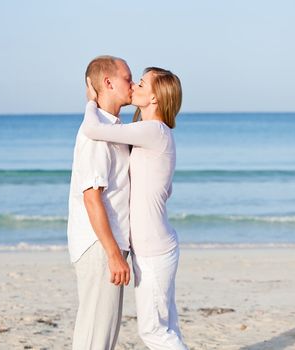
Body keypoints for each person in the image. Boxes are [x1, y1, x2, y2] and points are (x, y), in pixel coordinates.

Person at [82, 67, 188, 350]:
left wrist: (91, 99)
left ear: (154, 98)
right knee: (166, 327)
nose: (134, 86)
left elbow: (93, 129)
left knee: (154, 332)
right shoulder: (153, 133)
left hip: (154, 249)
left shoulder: (153, 130)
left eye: (141, 83)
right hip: (154, 245)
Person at [67, 55, 133, 350]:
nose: (132, 85)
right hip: (99, 245)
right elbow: (91, 198)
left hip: (107, 244)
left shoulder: (110, 128)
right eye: (128, 79)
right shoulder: (96, 136)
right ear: (108, 82)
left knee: (101, 333)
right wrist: (112, 254)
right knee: (96, 336)